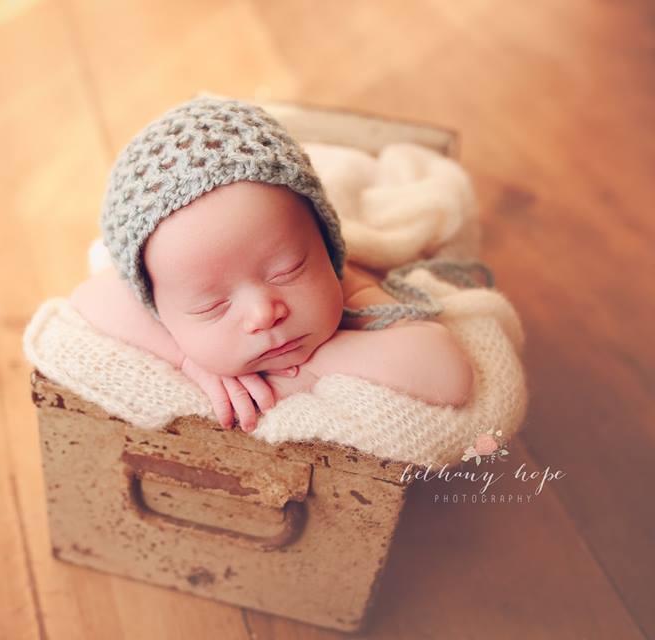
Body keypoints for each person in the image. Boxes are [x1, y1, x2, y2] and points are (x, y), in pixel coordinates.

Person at [70, 97, 474, 433]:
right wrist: (188, 359)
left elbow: (448, 372)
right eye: (212, 306)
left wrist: (322, 358)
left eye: (288, 270)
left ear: (327, 246)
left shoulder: (351, 290)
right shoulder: (159, 281)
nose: (264, 314)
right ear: (158, 309)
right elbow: (90, 297)